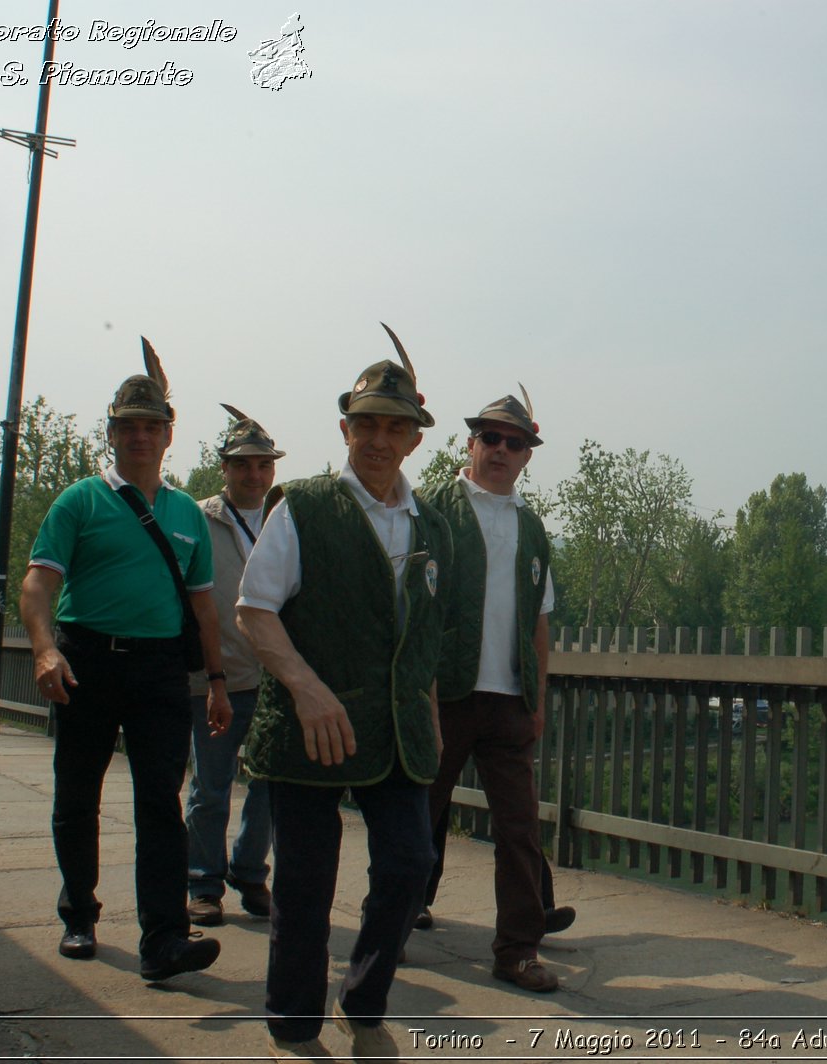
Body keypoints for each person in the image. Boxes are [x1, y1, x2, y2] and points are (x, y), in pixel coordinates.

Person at [237, 326, 450, 1062]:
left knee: (409, 864)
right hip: (310, 725)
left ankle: (364, 991)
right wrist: (304, 687)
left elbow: (425, 632)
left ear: (416, 439)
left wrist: (424, 708)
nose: (380, 440)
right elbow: (254, 610)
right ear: (345, 429)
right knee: (304, 881)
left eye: (396, 427)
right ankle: (293, 1020)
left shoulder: (434, 525)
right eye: (367, 425)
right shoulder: (304, 507)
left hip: (394, 730)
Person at [19, 339, 231, 983]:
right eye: (128, 426)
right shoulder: (79, 502)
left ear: (170, 435)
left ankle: (163, 941)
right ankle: (79, 913)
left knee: (160, 806)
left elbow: (205, 611)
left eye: (151, 426)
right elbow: (37, 585)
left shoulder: (185, 513)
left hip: (161, 671)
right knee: (76, 796)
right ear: (111, 433)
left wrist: (217, 682)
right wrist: (45, 647)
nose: (140, 436)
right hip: (86, 660)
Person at [416, 387, 564, 993]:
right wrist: (418, 693)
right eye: (492, 438)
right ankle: (395, 919)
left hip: (508, 700)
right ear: (471, 442)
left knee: (519, 829)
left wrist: (538, 700)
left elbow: (539, 620)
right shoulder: (433, 512)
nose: (502, 450)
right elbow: (412, 611)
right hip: (444, 694)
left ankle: (518, 950)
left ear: (528, 455)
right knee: (417, 815)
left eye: (516, 442)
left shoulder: (532, 528)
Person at [184, 406, 285, 927]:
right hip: (216, 678)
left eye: (263, 465)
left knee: (268, 785)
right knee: (211, 785)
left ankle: (250, 873)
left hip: (272, 679)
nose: (254, 475)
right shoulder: (199, 518)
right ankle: (203, 881)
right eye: (243, 464)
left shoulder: (284, 519)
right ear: (225, 467)